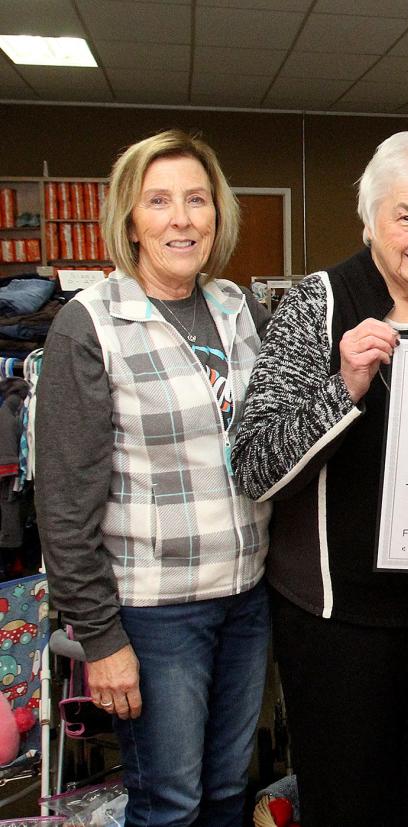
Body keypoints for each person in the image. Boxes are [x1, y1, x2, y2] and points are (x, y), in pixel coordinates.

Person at [232, 132, 408, 826]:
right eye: (406, 216)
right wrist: (344, 385)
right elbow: (255, 462)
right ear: (369, 220)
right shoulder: (318, 304)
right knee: (351, 806)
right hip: (342, 624)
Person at [36, 129, 271, 826]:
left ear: (217, 214)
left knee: (230, 787)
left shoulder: (237, 308)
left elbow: (270, 442)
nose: (182, 218)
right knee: (169, 801)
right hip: (155, 612)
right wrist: (102, 639)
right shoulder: (91, 324)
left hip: (246, 597)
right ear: (130, 220)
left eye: (197, 199)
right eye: (159, 200)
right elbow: (64, 501)